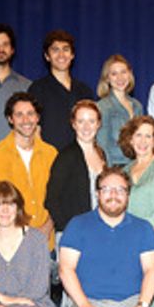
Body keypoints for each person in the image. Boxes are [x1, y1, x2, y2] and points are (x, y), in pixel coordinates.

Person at [58, 167, 154, 307]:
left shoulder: (143, 228)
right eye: (107, 189)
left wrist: (142, 306)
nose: (113, 195)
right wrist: (83, 304)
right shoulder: (78, 225)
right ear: (97, 193)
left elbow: (152, 270)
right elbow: (66, 269)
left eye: (120, 190)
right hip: (90, 303)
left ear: (128, 195)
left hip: (131, 304)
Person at [0, 93, 58, 238]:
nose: (26, 120)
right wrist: (21, 233)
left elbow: (59, 198)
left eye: (30, 114)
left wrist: (46, 229)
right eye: (19, 115)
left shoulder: (51, 154)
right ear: (10, 119)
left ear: (37, 117)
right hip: (11, 241)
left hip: (47, 241)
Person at [45, 100, 107, 234]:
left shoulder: (101, 154)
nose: (86, 127)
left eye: (91, 121)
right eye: (81, 121)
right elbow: (51, 199)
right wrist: (69, 229)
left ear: (99, 124)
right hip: (75, 234)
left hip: (99, 229)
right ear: (73, 124)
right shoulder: (66, 157)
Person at [29, 29, 97, 149]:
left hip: (80, 159)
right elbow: (34, 129)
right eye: (55, 50)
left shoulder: (84, 90)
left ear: (72, 55)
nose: (61, 55)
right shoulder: (37, 89)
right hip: (50, 160)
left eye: (66, 49)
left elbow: (93, 128)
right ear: (47, 56)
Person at [95, 54, 143, 167]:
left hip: (136, 167)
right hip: (115, 167)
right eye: (114, 74)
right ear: (107, 78)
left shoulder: (137, 106)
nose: (120, 78)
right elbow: (102, 146)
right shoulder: (103, 107)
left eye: (123, 72)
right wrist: (109, 172)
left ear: (129, 74)